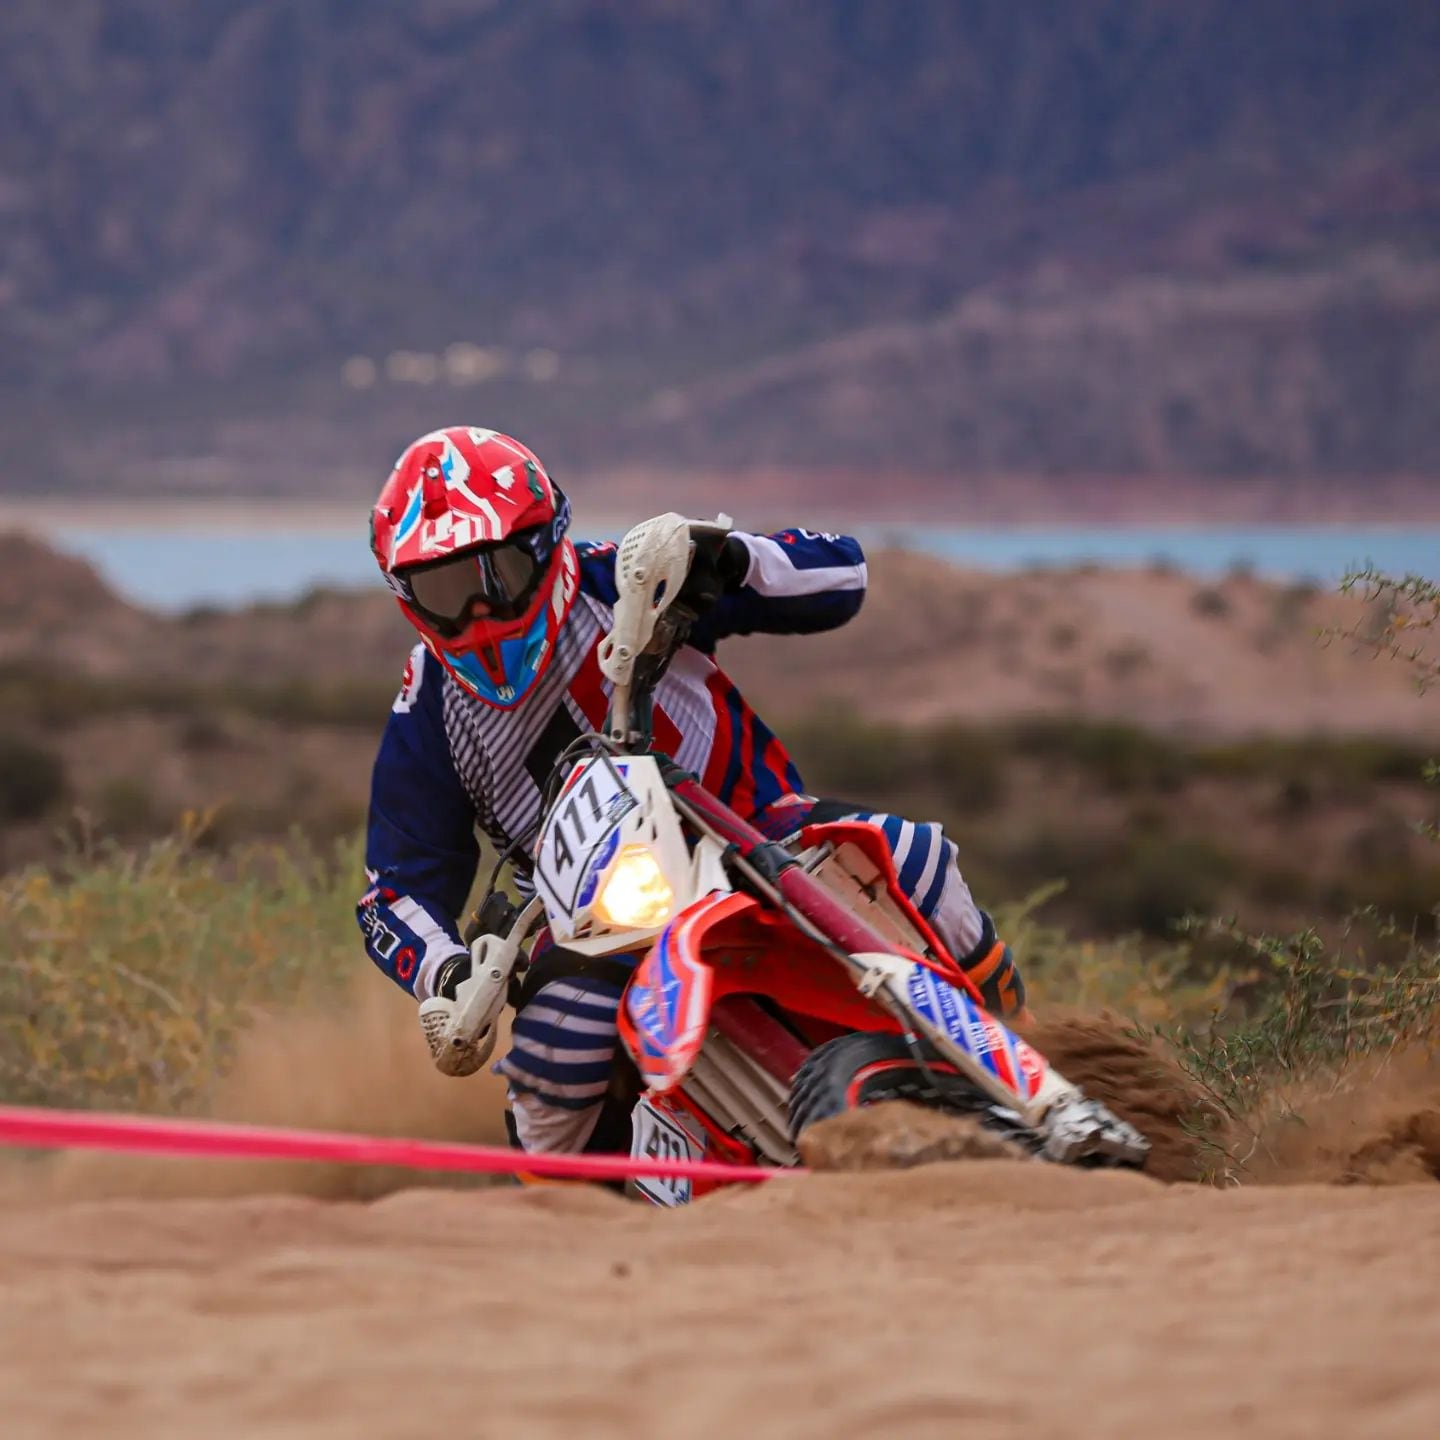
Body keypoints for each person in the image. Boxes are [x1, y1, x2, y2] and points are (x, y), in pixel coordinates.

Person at [359, 426, 1025, 1155]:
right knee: (551, 1071)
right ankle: (561, 1232)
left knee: (917, 859)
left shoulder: (629, 579)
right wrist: (446, 972)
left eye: (498, 578)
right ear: (407, 597)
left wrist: (728, 558)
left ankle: (1019, 1040)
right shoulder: (427, 709)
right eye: (447, 591)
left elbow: (841, 573)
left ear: (546, 547)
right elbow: (393, 890)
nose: (479, 615)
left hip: (757, 830)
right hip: (589, 917)